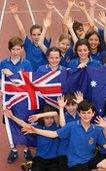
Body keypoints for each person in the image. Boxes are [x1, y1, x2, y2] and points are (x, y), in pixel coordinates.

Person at [21, 100, 106, 171]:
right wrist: (35, 130)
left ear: (93, 114)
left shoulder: (96, 128)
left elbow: (105, 145)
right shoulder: (71, 126)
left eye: (89, 113)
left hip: (89, 159)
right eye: (83, 113)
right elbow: (54, 134)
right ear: (79, 114)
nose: (86, 115)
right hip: (75, 163)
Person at [0, 36, 33, 164]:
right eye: (13, 49)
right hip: (9, 100)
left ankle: (26, 149)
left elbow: (28, 83)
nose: (15, 51)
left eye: (18, 49)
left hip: (23, 100)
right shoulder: (3, 63)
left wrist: (11, 75)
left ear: (22, 50)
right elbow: (0, 80)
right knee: (10, 123)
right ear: (9, 50)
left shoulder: (26, 64)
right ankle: (13, 149)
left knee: (23, 123)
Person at [4, 106, 59, 171]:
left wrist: (39, 115)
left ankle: (30, 167)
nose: (49, 120)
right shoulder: (38, 126)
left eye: (51, 118)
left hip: (54, 159)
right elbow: (24, 124)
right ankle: (31, 167)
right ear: (43, 119)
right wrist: (12, 117)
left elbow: (55, 114)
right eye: (47, 118)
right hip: (39, 158)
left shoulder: (57, 126)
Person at [9, 1, 52, 71]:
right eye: (34, 35)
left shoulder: (45, 43)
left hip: (43, 75)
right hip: (30, 75)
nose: (36, 37)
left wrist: (50, 10)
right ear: (31, 36)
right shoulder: (28, 45)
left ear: (42, 35)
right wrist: (15, 14)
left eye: (39, 34)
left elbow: (48, 26)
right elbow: (21, 29)